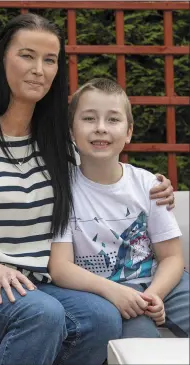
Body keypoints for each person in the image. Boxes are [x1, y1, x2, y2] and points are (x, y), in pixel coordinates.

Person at [0, 14, 175, 365]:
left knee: (102, 317)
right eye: (27, 55)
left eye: (49, 60)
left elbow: (107, 170)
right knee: (41, 314)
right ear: (2, 58)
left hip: (33, 284)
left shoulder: (60, 141)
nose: (39, 69)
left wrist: (156, 187)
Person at [49, 78, 189, 341]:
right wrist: (114, 293)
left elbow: (171, 257)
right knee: (141, 347)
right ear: (71, 131)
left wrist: (154, 295)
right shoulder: (62, 190)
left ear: (129, 132)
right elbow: (60, 267)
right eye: (89, 119)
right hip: (105, 294)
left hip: (161, 284)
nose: (101, 128)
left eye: (113, 120)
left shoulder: (149, 185)